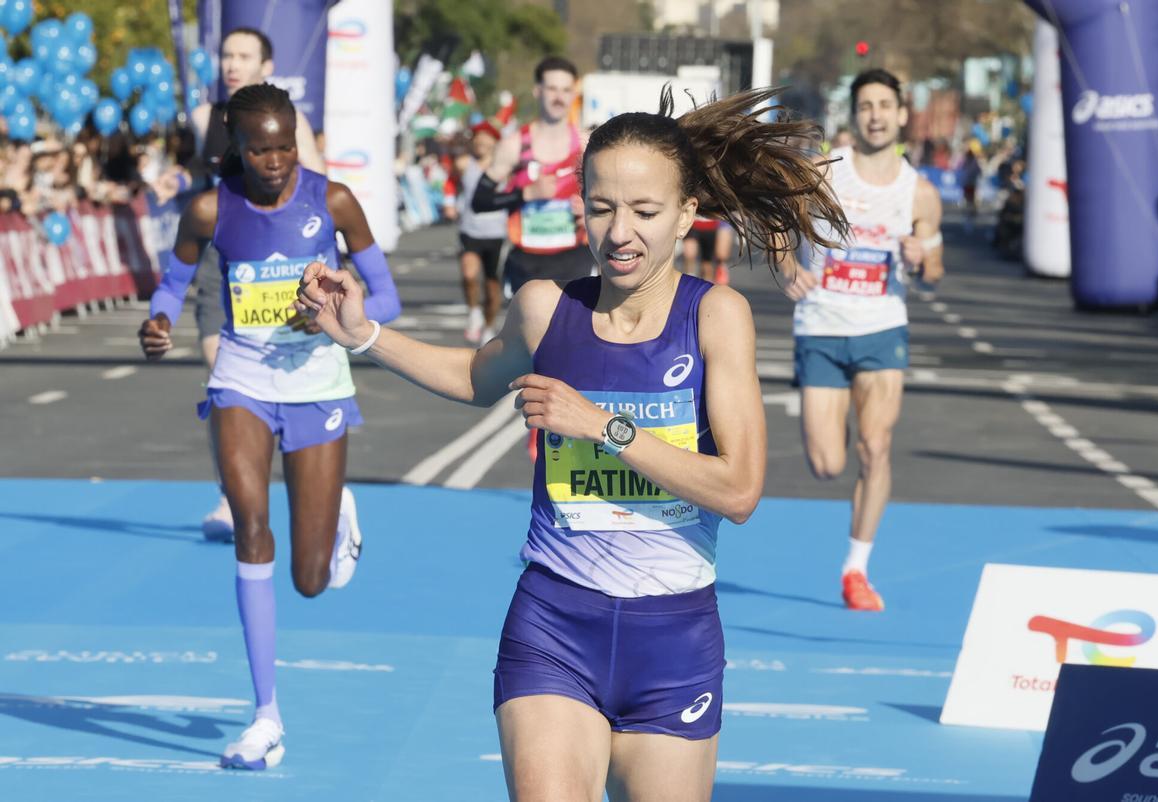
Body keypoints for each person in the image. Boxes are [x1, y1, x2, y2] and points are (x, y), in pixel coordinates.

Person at [296, 86, 845, 801]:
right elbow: (473, 375)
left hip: (673, 640)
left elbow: (738, 490)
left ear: (685, 215)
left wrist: (605, 428)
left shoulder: (716, 317)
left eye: (645, 212)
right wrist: (362, 334)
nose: (620, 232)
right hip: (554, 626)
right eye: (602, 207)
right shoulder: (545, 308)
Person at [137, 84, 400, 770]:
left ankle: (338, 508)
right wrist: (160, 320)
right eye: (261, 149)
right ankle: (265, 716)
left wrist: (338, 303)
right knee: (251, 525)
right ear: (236, 148)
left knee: (311, 579)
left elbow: (388, 297)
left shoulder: (333, 201)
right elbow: (172, 282)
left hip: (316, 387)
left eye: (286, 145)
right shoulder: (209, 209)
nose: (277, 159)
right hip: (243, 382)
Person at [154, 26, 327, 542]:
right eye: (226, 54)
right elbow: (198, 171)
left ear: (265, 65)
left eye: (243, 55)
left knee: (291, 378)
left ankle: (319, 482)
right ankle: (234, 496)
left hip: (280, 261)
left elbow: (315, 185)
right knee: (223, 379)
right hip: (220, 258)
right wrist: (175, 180)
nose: (231, 63)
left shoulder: (290, 124)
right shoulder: (209, 117)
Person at [780, 68, 944, 612]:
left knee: (875, 448)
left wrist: (923, 261)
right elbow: (780, 222)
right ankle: (839, 420)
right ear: (855, 115)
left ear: (901, 115)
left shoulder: (919, 192)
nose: (875, 114)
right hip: (823, 326)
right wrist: (786, 269)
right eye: (866, 105)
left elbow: (934, 267)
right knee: (827, 462)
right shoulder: (824, 173)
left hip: (882, 327)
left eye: (884, 105)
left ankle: (856, 569)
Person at [471, 56, 593, 295]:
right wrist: (525, 193)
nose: (559, 97)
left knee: (571, 331)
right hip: (527, 260)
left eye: (566, 90)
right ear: (538, 91)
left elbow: (616, 197)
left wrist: (591, 207)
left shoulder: (585, 145)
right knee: (530, 331)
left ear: (573, 94)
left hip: (574, 256)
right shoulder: (515, 145)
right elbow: (479, 201)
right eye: (552, 89)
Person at [443, 120, 508, 343]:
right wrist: (449, 202)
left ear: (494, 142)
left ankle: (489, 326)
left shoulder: (504, 167)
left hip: (498, 233)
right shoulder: (464, 163)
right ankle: (474, 313)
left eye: (485, 138)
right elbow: (450, 182)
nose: (480, 142)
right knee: (469, 274)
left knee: (492, 286)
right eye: (477, 138)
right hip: (470, 230)